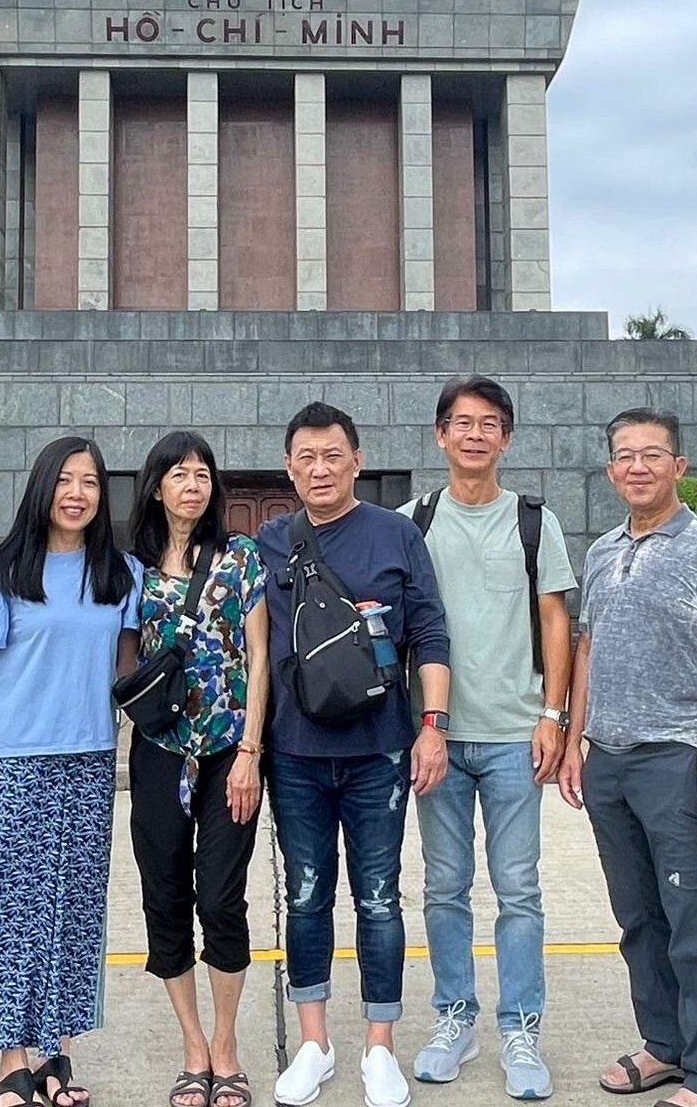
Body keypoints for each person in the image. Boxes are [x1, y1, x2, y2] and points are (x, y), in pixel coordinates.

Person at [558, 407, 697, 1107]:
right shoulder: (603, 549)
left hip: (675, 760)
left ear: (679, 467)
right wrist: (575, 742)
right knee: (638, 918)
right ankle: (665, 1047)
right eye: (624, 456)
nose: (637, 467)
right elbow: (586, 648)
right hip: (607, 759)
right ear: (610, 470)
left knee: (691, 921)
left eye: (652, 454)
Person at [257, 401, 452, 1107]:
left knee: (377, 899)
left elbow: (429, 633)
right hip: (297, 753)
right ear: (288, 466)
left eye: (332, 455)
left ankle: (379, 1047)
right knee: (306, 896)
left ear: (357, 461)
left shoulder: (395, 535)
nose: (319, 469)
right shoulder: (270, 544)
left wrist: (433, 724)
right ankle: (315, 1042)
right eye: (305, 457)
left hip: (379, 750)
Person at [396, 377, 576, 1100]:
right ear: (440, 436)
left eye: (489, 424)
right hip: (436, 737)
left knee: (519, 889)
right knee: (443, 888)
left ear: (505, 438)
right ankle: (455, 1018)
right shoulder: (413, 521)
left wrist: (554, 717)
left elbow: (557, 622)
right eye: (462, 423)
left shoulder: (535, 522)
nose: (475, 435)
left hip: (514, 735)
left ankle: (521, 1029)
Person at [0, 435, 143, 1107]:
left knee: (71, 908)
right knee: (6, 911)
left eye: (90, 482)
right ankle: (13, 1059)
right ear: (43, 488)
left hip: (89, 755)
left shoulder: (121, 574)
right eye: (65, 480)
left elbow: (127, 667)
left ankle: (58, 1056)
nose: (77, 493)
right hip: (10, 757)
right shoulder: (0, 574)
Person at [125, 431, 270, 1107]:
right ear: (155, 485)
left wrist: (250, 753)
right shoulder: (129, 568)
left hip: (226, 757)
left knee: (220, 898)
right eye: (178, 474)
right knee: (165, 901)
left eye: (202, 474)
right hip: (157, 753)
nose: (192, 485)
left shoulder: (240, 557)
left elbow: (260, 658)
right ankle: (192, 1048)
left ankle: (226, 1044)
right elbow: (121, 661)